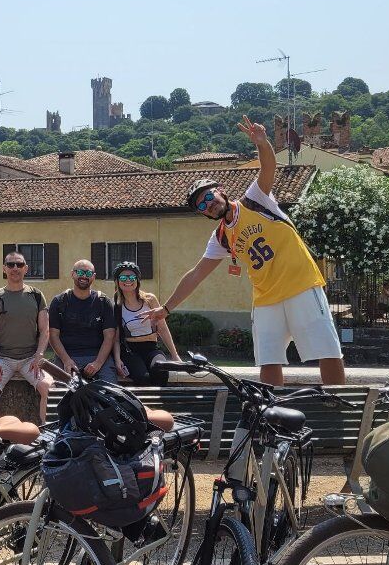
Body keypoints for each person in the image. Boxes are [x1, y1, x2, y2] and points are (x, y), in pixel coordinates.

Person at [147, 116, 346, 387]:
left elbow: (268, 168)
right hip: (266, 298)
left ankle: (339, 409)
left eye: (209, 197)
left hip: (301, 285)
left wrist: (263, 144)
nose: (208, 205)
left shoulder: (255, 200)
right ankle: (272, 412)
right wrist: (167, 308)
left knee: (327, 351)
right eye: (201, 207)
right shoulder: (220, 237)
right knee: (269, 359)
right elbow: (196, 274)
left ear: (221, 191)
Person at [0, 250, 53, 423]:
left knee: (49, 388)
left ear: (26, 269)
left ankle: (48, 438)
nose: (15, 268)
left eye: (19, 264)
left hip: (31, 359)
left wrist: (39, 355)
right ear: (4, 269)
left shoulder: (36, 295)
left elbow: (45, 330)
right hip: (2, 359)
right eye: (10, 264)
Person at [111, 261, 180, 386]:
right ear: (117, 281)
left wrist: (175, 356)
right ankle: (144, 405)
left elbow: (163, 329)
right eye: (123, 277)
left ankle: (161, 405)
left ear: (137, 280)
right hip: (130, 351)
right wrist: (117, 360)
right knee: (142, 377)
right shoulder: (116, 305)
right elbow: (115, 338)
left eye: (132, 277)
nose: (128, 280)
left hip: (151, 348)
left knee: (161, 371)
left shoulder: (150, 300)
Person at [48, 259, 117, 381]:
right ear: (72, 274)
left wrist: (98, 363)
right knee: (59, 393)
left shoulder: (103, 302)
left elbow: (109, 336)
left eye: (88, 273)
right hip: (67, 356)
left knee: (109, 393)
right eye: (80, 272)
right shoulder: (59, 302)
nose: (84, 276)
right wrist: (66, 360)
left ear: (94, 277)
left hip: (98, 356)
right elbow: (53, 335)